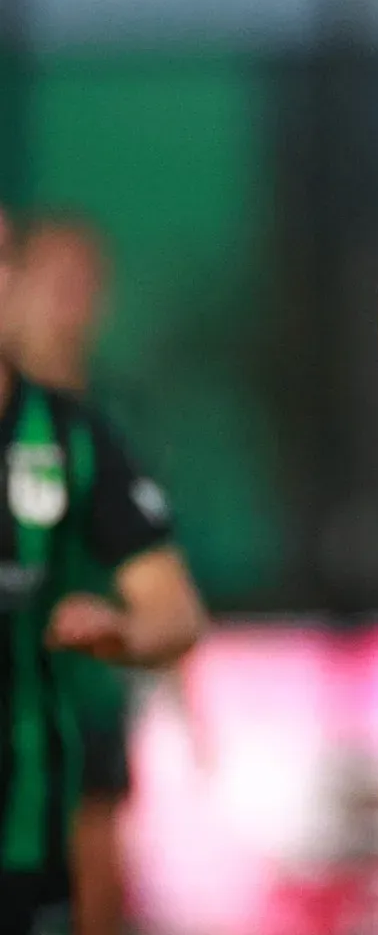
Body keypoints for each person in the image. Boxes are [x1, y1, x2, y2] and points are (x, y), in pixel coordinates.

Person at [0, 208, 203, 935]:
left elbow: (169, 598)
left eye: (83, 283)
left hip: (71, 717)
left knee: (90, 886)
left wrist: (160, 667)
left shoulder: (87, 430)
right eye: (56, 281)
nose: (68, 301)